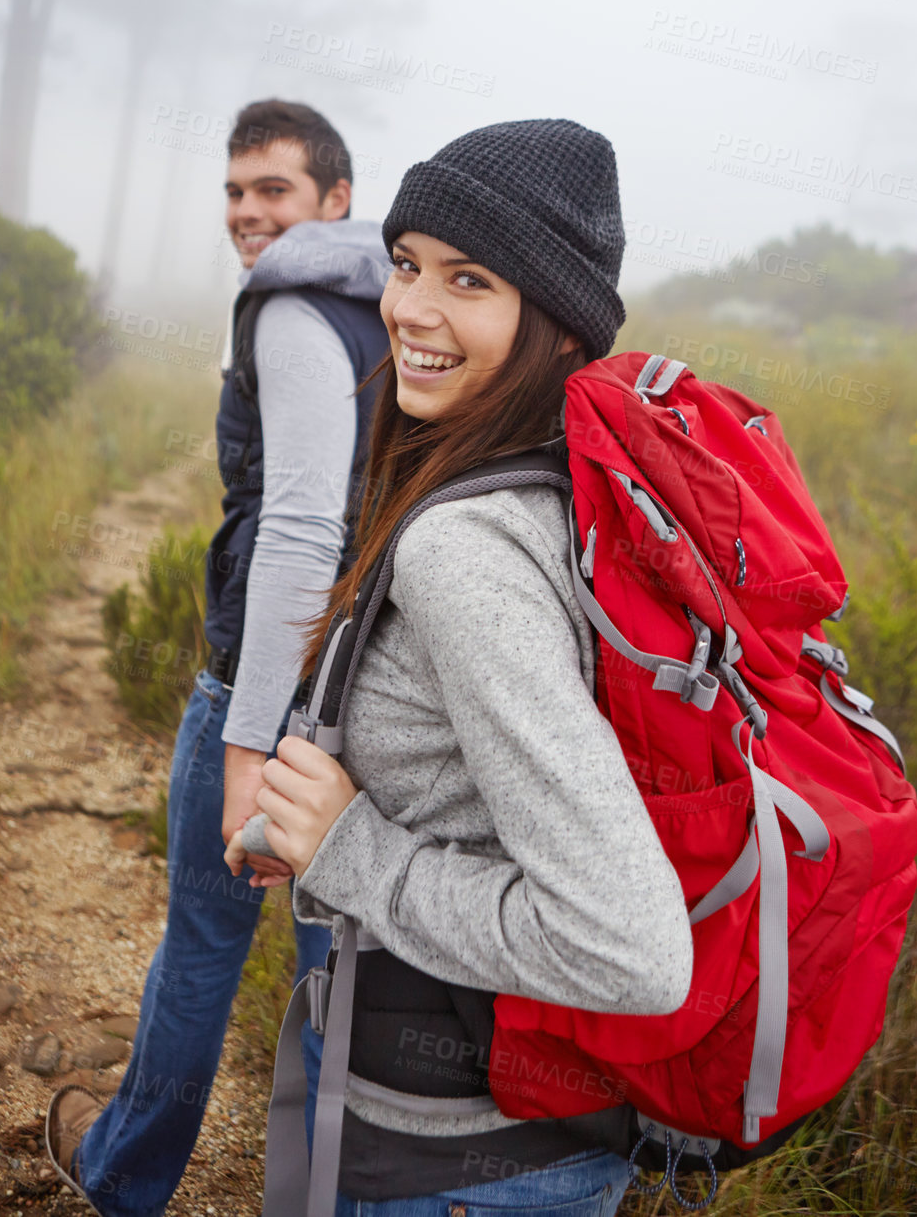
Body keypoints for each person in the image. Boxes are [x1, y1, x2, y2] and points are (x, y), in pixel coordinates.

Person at [227, 119, 694, 1216]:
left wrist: (347, 848)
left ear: (560, 327)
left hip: (457, 1169)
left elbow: (628, 948)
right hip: (527, 1145)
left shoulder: (464, 550)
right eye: (404, 263)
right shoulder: (552, 492)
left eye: (468, 279)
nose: (410, 309)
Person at [46, 101, 391, 1215]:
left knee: (202, 943)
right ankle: (322, 1193)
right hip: (361, 692)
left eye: (273, 190)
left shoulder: (294, 308)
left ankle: (120, 1174)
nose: (247, 213)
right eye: (235, 192)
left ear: (333, 199)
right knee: (332, 973)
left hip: (269, 691)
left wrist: (249, 736)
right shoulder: (393, 305)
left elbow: (298, 531)